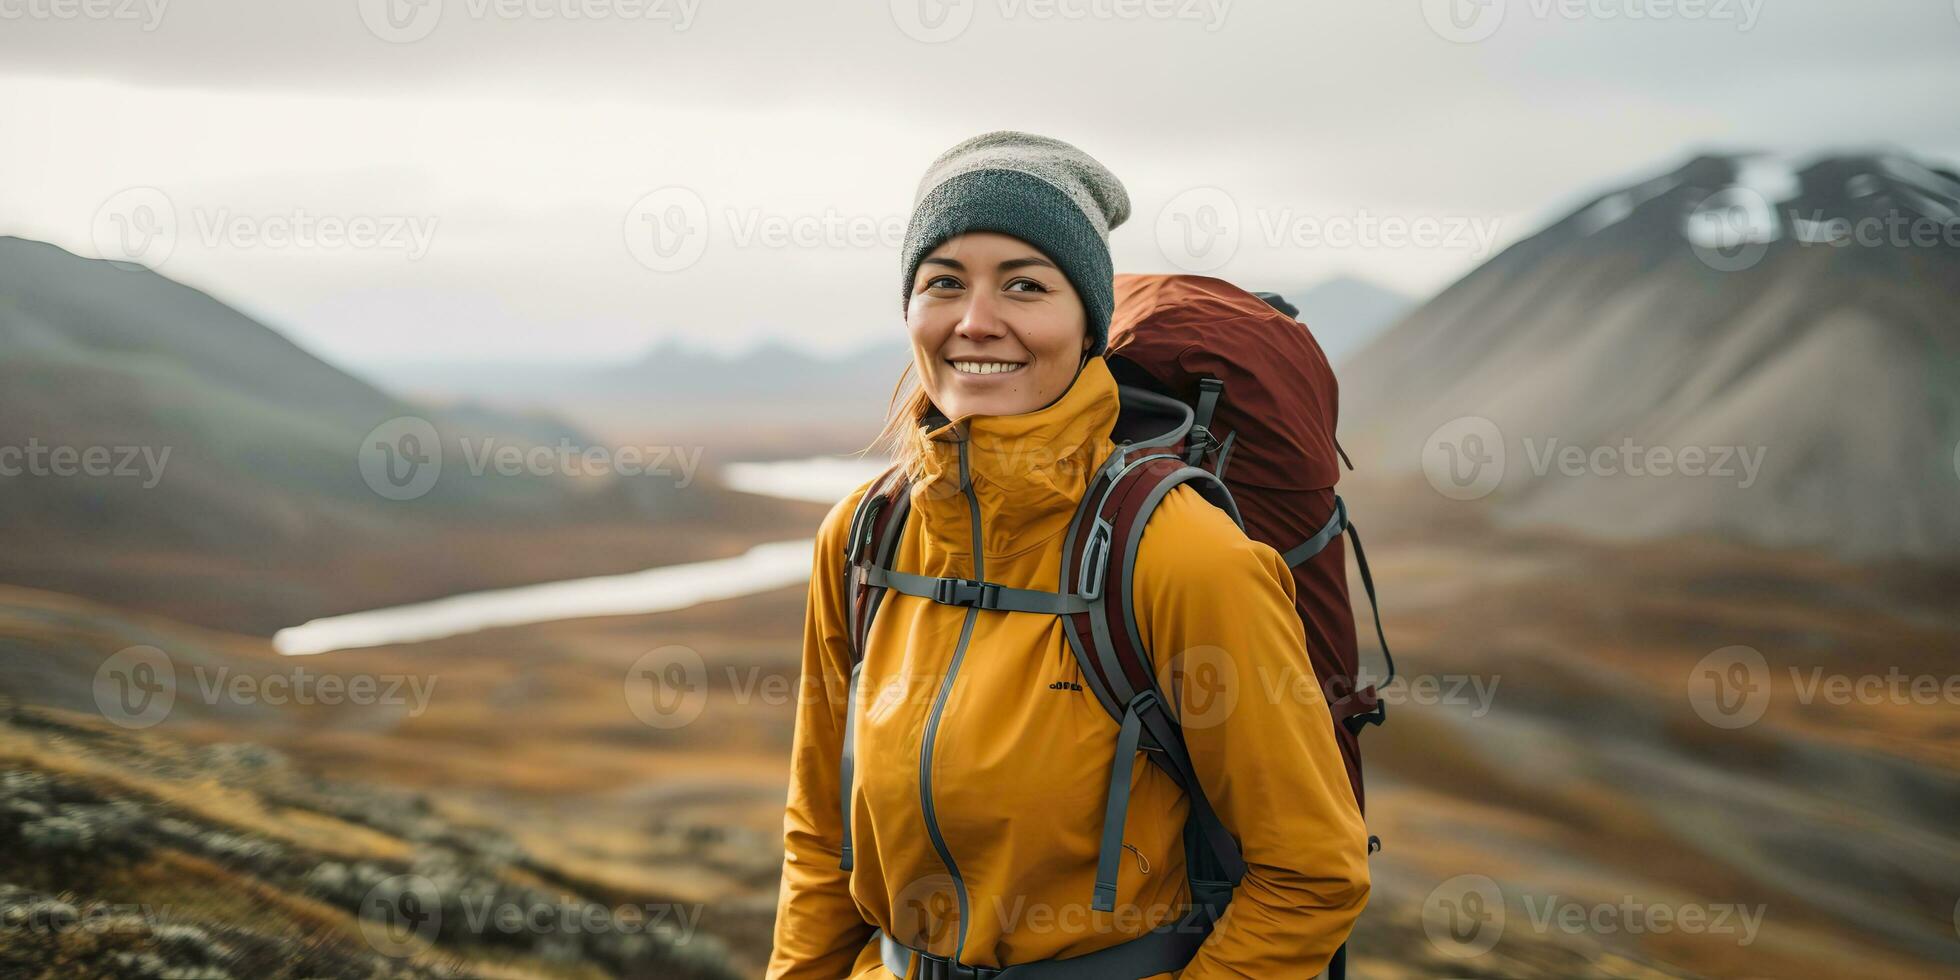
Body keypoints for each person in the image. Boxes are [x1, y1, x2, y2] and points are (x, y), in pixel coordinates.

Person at [767, 130, 1369, 979]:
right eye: (943, 281)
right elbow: (819, 840)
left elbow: (1311, 874)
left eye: (1025, 285)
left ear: (1088, 321)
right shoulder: (865, 538)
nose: (977, 320)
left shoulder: (1184, 557)